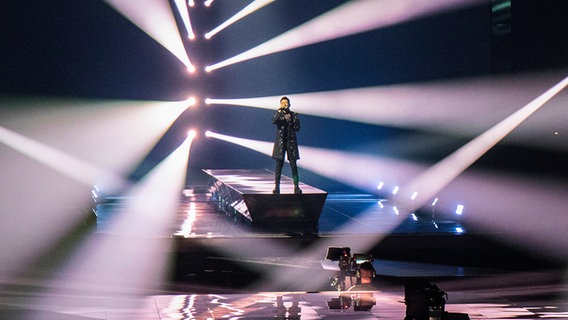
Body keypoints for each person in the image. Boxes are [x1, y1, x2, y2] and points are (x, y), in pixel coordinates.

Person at [272, 96, 301, 194]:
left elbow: (297, 128)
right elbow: (274, 121)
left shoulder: (294, 115)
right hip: (281, 142)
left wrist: (290, 121)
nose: (285, 104)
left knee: (293, 165)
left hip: (291, 142)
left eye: (286, 102)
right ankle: (277, 186)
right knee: (279, 165)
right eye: (283, 102)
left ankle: (296, 186)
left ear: (289, 104)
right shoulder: (278, 113)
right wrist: (281, 115)